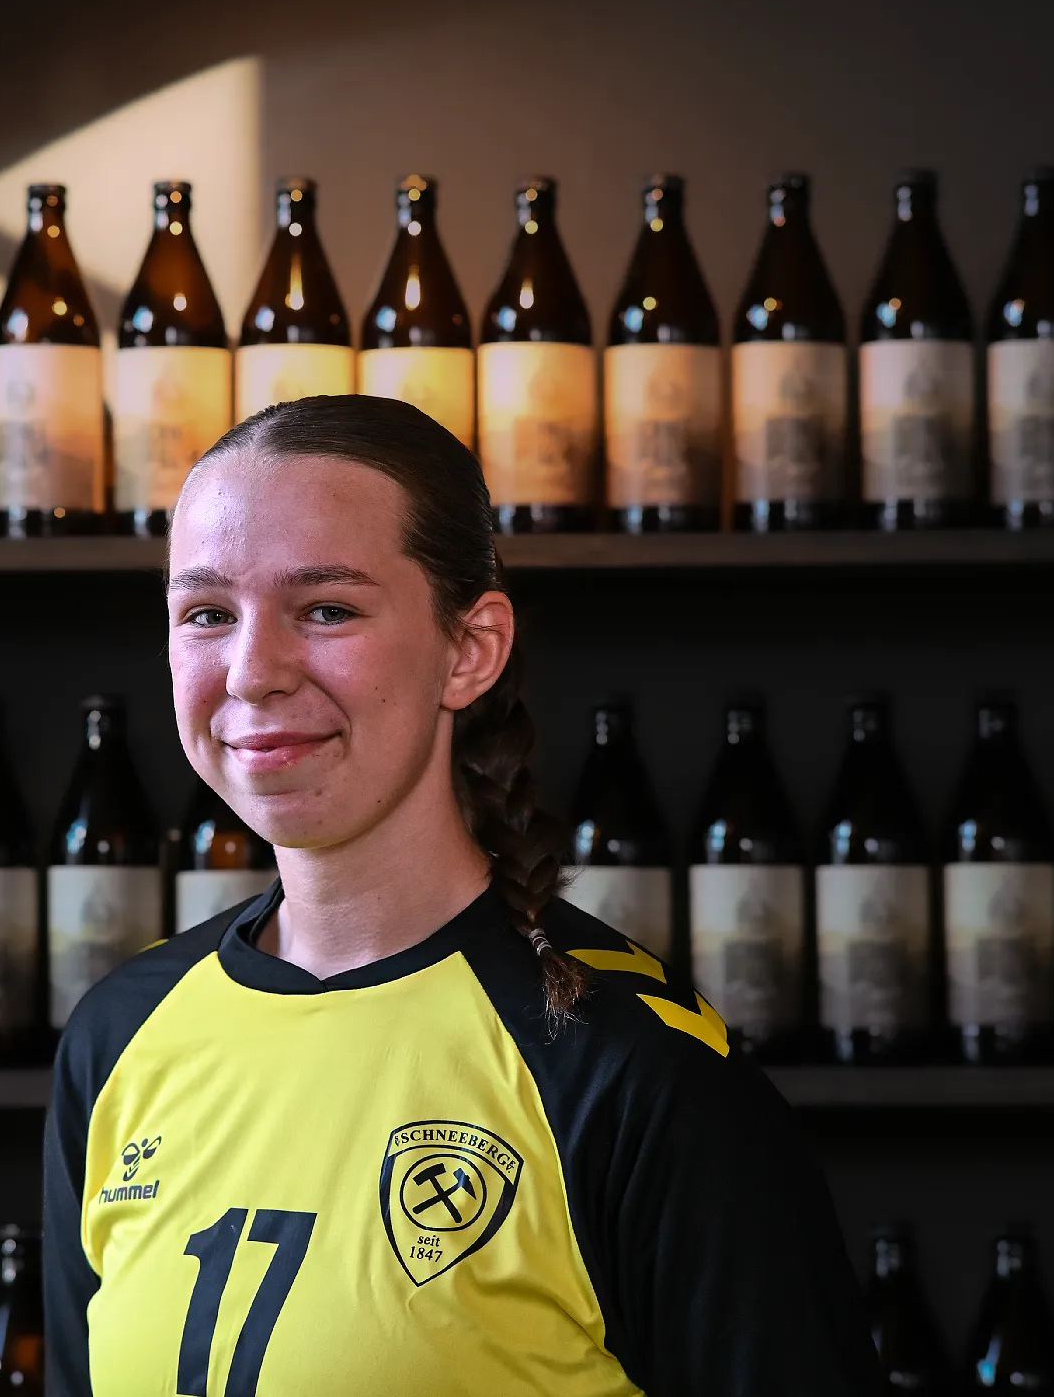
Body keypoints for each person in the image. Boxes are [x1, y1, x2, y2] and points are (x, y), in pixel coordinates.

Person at [44, 394, 881, 1396]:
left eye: (326, 609)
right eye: (207, 614)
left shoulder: (631, 1067)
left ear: (470, 648)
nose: (253, 672)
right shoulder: (120, 1034)